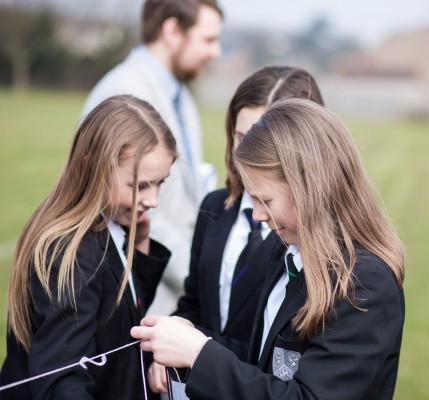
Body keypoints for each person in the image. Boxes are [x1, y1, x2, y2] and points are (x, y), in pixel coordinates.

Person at [131, 98, 406, 400]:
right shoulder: (288, 252)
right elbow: (262, 362)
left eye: (265, 201)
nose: (258, 216)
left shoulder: (364, 284)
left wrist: (199, 354)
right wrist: (192, 338)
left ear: (307, 188)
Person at [147, 65, 326, 394]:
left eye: (263, 142)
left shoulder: (298, 237)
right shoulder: (214, 208)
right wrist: (174, 336)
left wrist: (197, 352)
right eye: (242, 138)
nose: (248, 154)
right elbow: (195, 300)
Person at [0, 95, 177, 399]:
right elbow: (61, 381)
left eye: (160, 183)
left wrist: (140, 249)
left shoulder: (112, 227)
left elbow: (114, 319)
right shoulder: (73, 253)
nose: (153, 201)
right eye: (141, 186)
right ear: (94, 167)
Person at [81, 0, 224, 315]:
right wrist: (204, 278)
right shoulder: (123, 92)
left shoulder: (180, 94)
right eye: (208, 39)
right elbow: (141, 211)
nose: (216, 52)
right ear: (172, 29)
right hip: (139, 298)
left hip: (167, 295)